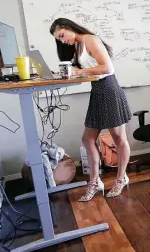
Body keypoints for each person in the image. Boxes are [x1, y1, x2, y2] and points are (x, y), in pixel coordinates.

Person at [49, 18, 132, 201]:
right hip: (98, 92)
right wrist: (65, 74)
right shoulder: (78, 45)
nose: (62, 41)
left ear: (69, 28)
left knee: (119, 138)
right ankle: (95, 182)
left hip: (109, 90)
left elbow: (107, 67)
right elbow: (89, 71)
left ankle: (121, 178)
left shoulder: (90, 39)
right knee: (88, 139)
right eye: (59, 40)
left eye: (62, 35)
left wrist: (77, 72)